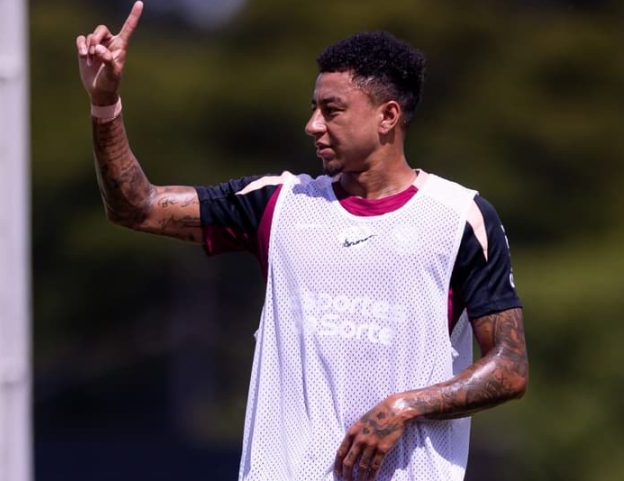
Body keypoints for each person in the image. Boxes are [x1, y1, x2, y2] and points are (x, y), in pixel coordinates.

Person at [75, 2, 529, 480]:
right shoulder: (277, 203)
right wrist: (105, 103)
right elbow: (136, 206)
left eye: (331, 110)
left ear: (388, 116)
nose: (313, 124)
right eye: (314, 108)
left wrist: (404, 406)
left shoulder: (460, 218)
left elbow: (510, 367)